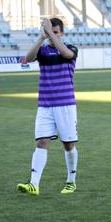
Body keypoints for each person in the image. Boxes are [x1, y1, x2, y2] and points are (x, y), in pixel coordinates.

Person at [17, 18, 79, 196]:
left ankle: (71, 181)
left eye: (56, 32)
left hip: (65, 105)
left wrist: (50, 33)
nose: (52, 35)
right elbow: (27, 59)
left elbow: (66, 54)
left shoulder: (71, 49)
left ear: (62, 33)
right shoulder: (43, 51)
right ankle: (34, 184)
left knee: (68, 144)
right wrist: (40, 38)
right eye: (50, 32)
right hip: (45, 105)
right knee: (42, 142)